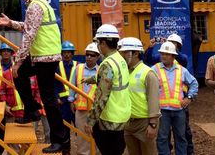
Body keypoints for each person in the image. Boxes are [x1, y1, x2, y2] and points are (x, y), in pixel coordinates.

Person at [0, 0, 68, 153]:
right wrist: (10, 23)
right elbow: (29, 27)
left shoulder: (35, 6)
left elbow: (29, 36)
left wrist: (18, 61)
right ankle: (32, 110)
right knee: (18, 77)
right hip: (42, 56)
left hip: (45, 57)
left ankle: (61, 139)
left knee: (49, 99)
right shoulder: (38, 4)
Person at [82, 24, 131, 155]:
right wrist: (92, 79)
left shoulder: (108, 64)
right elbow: (113, 79)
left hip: (110, 118)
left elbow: (101, 96)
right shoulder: (120, 59)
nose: (97, 46)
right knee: (118, 149)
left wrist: (90, 121)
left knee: (108, 149)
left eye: (98, 42)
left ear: (103, 43)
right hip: (122, 114)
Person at [153, 42, 198, 155]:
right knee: (162, 138)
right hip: (162, 111)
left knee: (181, 138)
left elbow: (194, 83)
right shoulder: (154, 69)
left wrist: (189, 98)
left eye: (167, 54)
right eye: (162, 54)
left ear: (173, 56)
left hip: (179, 110)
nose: (164, 56)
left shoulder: (182, 70)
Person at [122, 37, 160, 155]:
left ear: (136, 53)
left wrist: (152, 124)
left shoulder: (147, 73)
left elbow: (154, 100)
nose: (122, 55)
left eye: (125, 52)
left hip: (144, 123)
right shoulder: (125, 72)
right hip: (128, 124)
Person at [0, 44, 24, 155]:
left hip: (14, 104)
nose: (6, 53)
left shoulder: (17, 67)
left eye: (8, 51)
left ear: (12, 53)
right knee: (0, 130)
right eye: (4, 51)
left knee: (16, 130)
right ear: (1, 53)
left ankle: (15, 151)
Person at [68, 43, 101, 155]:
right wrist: (71, 100)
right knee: (82, 135)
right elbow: (72, 84)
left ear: (98, 57)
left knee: (96, 134)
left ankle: (94, 153)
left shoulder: (101, 70)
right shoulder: (79, 68)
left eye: (92, 55)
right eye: (87, 55)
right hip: (81, 109)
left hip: (96, 110)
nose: (89, 57)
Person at [56, 41, 78, 126]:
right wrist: (56, 97)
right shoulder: (57, 66)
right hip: (63, 102)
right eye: (64, 52)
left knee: (78, 127)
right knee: (64, 127)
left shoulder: (78, 65)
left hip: (75, 101)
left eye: (69, 52)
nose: (66, 55)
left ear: (72, 54)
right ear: (61, 54)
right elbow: (54, 84)